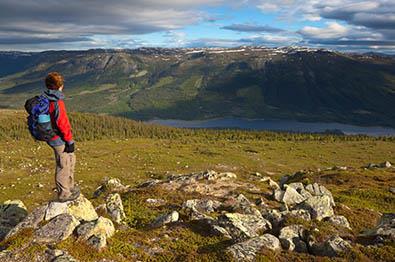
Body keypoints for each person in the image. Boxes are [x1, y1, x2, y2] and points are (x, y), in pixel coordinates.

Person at [42, 72, 80, 202]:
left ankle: (70, 187)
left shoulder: (47, 98)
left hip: (54, 136)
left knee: (70, 159)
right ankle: (64, 194)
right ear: (60, 86)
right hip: (58, 138)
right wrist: (69, 140)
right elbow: (62, 123)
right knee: (63, 164)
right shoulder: (57, 101)